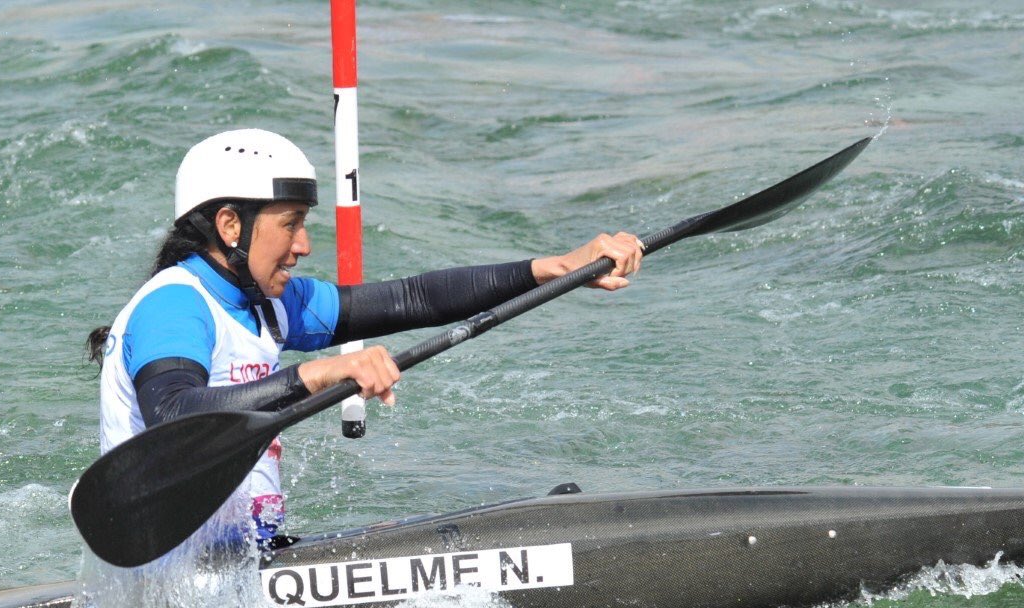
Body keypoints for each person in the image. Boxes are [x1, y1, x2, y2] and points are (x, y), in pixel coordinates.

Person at [87, 128, 641, 544]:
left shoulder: (266, 305)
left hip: (247, 560)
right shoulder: (175, 303)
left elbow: (415, 300)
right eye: (291, 223)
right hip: (175, 581)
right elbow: (176, 416)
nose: (304, 244)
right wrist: (320, 372)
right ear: (230, 226)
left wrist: (554, 267)